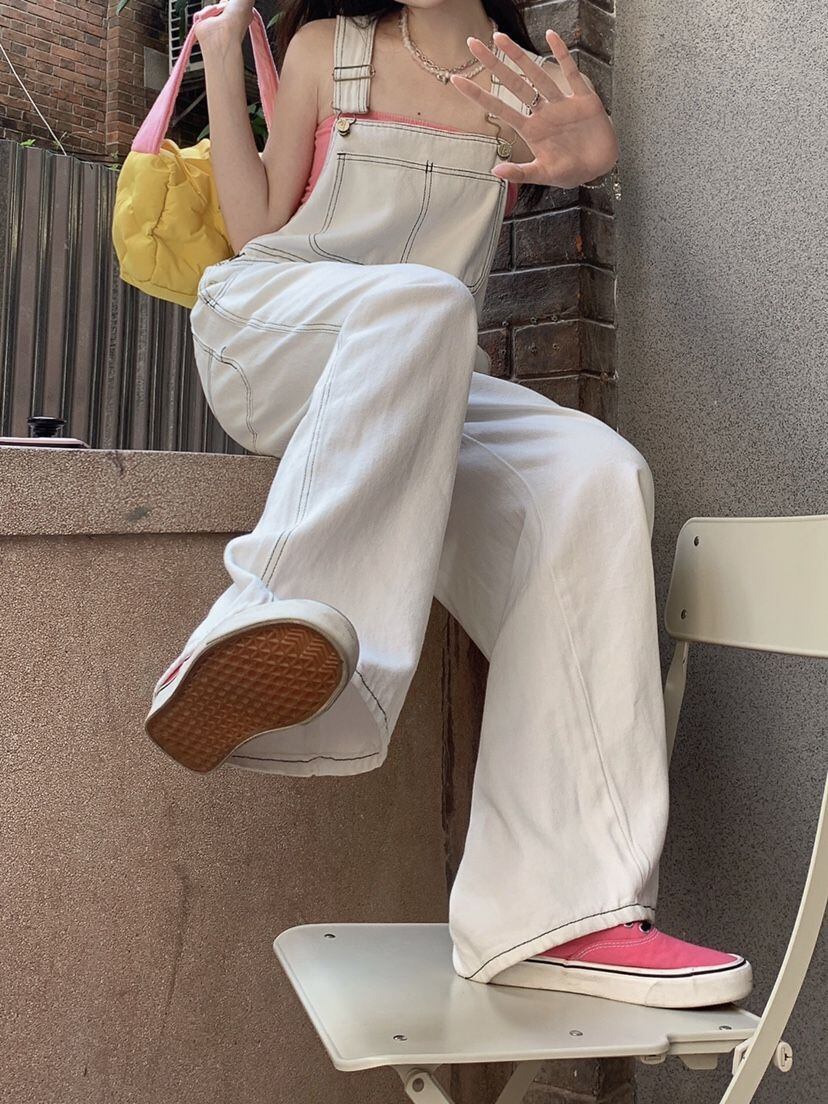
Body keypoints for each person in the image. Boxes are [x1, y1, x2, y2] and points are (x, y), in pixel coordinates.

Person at [143, 0, 753, 1009]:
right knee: (425, 299)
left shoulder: (518, 83)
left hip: (423, 373)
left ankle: (560, 912)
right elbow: (255, 232)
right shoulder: (326, 47)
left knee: (596, 473)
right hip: (274, 333)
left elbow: (561, 162)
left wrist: (592, 162)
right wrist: (217, 52)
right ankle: (269, 627)